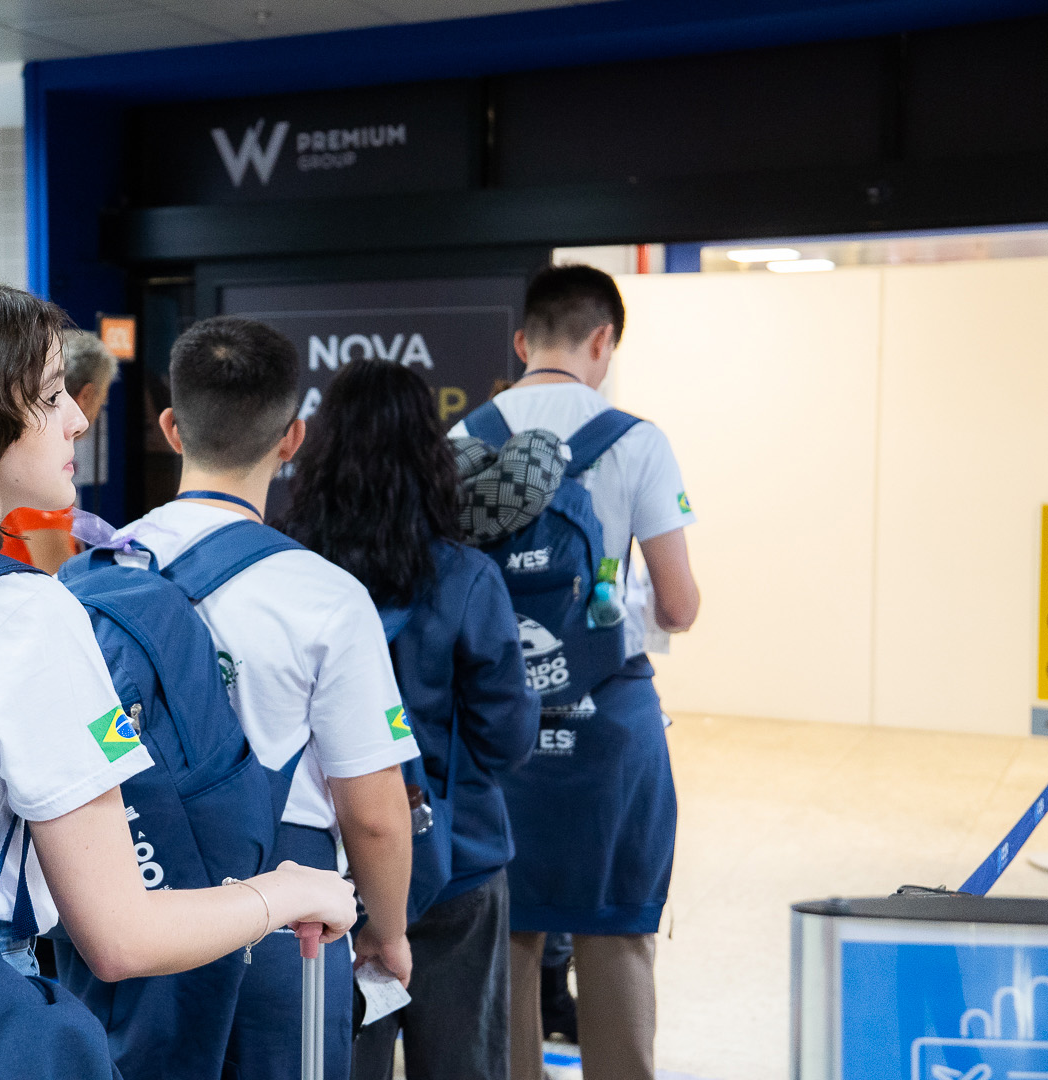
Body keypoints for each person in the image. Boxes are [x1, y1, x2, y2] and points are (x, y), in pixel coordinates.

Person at [0, 281, 357, 986]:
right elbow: (123, 938)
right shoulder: (21, 613)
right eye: (50, 395)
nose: (77, 421)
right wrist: (286, 892)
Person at [106, 317, 419, 1080]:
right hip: (289, 919)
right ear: (292, 437)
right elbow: (375, 813)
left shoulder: (96, 575)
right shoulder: (327, 597)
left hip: (121, 898)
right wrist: (388, 928)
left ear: (172, 428)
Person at [448, 264, 700, 1080]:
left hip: (494, 731)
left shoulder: (460, 441)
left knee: (507, 936)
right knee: (615, 933)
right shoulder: (638, 440)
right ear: (603, 340)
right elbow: (680, 605)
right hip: (609, 732)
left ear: (522, 342)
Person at [278, 358, 540, 1080]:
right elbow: (508, 737)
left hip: (327, 868)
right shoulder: (467, 578)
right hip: (457, 859)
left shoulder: (289, 576)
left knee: (339, 1060)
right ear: (433, 456)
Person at [0, 329, 119, 572]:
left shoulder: (29, 457)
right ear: (86, 396)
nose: (84, 421)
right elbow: (61, 574)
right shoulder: (37, 468)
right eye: (102, 401)